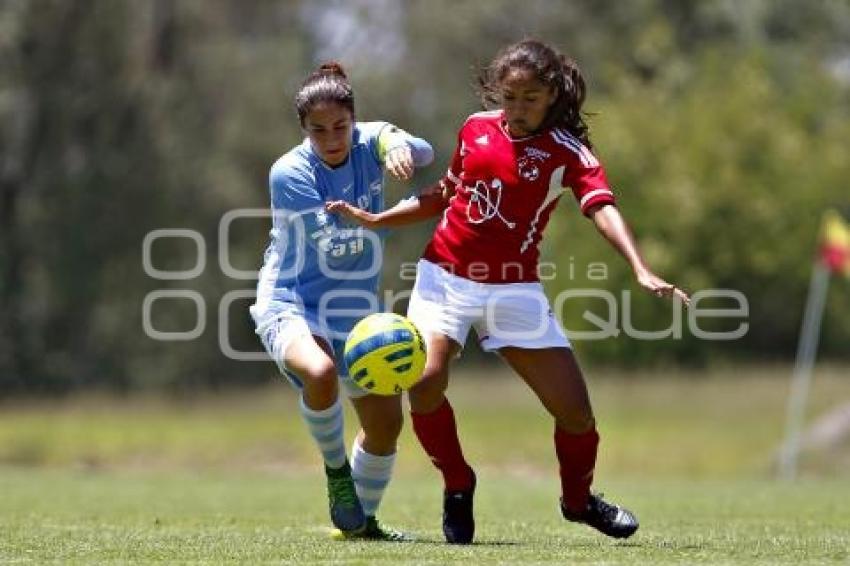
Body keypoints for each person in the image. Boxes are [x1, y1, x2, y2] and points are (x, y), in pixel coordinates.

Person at [327, 39, 690, 544]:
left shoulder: (568, 152)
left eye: (531, 98)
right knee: (425, 382)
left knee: (576, 414)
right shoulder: (475, 129)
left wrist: (640, 267)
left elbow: (601, 206)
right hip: (444, 278)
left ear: (552, 95)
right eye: (510, 96)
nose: (517, 109)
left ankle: (579, 501)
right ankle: (458, 482)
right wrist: (379, 218)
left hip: (513, 291)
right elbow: (446, 194)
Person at [249, 61, 434, 541]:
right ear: (303, 131)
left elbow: (426, 152)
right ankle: (337, 476)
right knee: (320, 371)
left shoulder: (370, 139)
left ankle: (362, 524)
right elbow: (334, 246)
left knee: (387, 426)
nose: (332, 137)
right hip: (291, 300)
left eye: (341, 126)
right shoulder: (288, 173)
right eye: (318, 130)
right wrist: (379, 217)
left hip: (353, 311)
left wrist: (396, 146)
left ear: (354, 121)